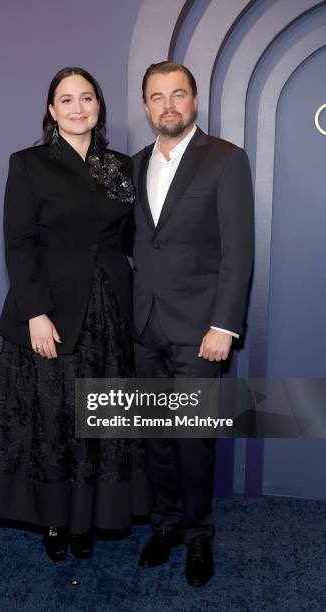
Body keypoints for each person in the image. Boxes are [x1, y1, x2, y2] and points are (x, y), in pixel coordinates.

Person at [0, 67, 151, 562]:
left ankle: (90, 518)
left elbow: (132, 239)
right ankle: (54, 520)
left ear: (99, 107)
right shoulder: (28, 164)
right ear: (51, 110)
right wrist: (36, 313)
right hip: (51, 312)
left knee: (100, 418)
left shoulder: (121, 166)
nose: (77, 107)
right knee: (54, 418)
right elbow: (18, 243)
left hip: (109, 309)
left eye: (86, 98)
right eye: (66, 100)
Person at [132, 61, 254, 586]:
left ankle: (198, 536)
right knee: (155, 437)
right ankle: (166, 524)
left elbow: (238, 250)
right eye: (157, 96)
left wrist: (224, 325)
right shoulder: (135, 165)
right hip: (146, 325)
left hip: (201, 329)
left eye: (178, 94)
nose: (169, 105)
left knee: (192, 437)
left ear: (195, 101)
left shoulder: (225, 159)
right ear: (146, 107)